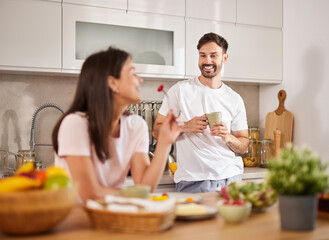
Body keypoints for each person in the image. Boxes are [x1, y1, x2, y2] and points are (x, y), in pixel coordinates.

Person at [52, 47, 180, 202]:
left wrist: (165, 142)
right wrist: (131, 195)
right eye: (133, 73)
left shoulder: (136, 125)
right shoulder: (75, 124)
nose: (140, 80)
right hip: (76, 218)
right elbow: (90, 193)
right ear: (113, 82)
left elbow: (145, 186)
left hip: (111, 214)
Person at [153, 32, 249, 193]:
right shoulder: (180, 91)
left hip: (232, 179)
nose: (207, 61)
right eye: (202, 55)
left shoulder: (234, 98)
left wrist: (227, 136)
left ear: (224, 58)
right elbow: (156, 131)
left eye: (213, 55)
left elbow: (244, 145)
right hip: (193, 181)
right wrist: (185, 126)